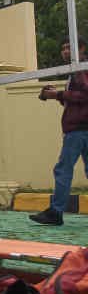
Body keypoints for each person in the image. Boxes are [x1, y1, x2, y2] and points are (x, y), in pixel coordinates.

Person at [31, 38, 88, 226]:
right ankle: (55, 211)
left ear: (81, 49)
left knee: (63, 170)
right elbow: (75, 100)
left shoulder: (79, 70)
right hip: (80, 127)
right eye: (63, 48)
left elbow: (85, 95)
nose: (65, 51)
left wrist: (57, 94)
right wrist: (56, 95)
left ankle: (56, 212)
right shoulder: (74, 72)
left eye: (69, 48)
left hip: (78, 129)